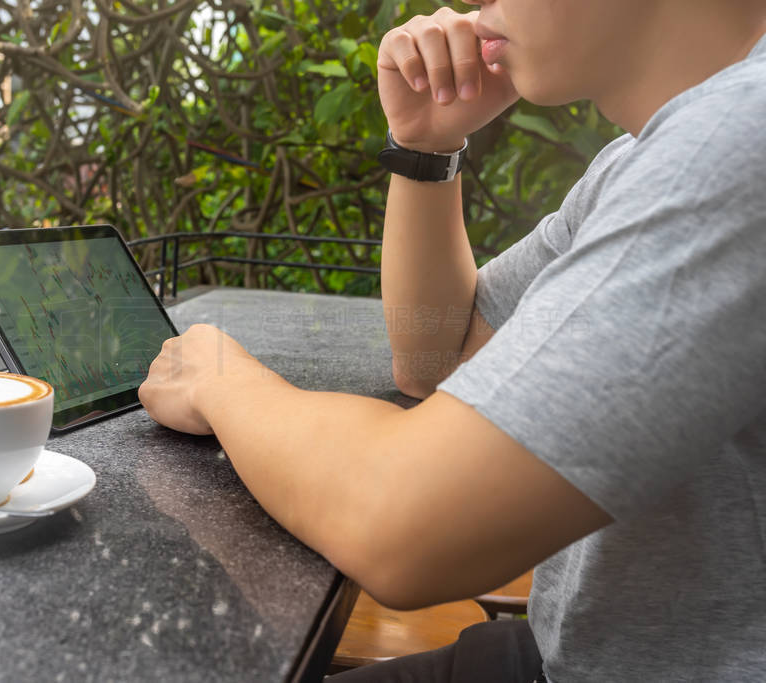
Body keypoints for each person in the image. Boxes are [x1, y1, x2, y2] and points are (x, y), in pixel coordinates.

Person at [139, 0, 766, 680]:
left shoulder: (738, 139)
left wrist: (218, 378)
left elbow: (403, 527)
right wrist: (425, 146)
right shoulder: (644, 159)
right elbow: (439, 355)